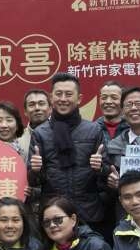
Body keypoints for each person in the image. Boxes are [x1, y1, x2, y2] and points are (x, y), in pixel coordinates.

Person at [29, 73, 107, 236]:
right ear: (51, 97)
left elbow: (107, 178)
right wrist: (35, 170)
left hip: (89, 213)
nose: (63, 98)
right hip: (54, 216)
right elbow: (33, 181)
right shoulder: (40, 133)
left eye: (69, 94)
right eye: (58, 94)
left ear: (79, 99)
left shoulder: (93, 130)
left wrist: (101, 168)